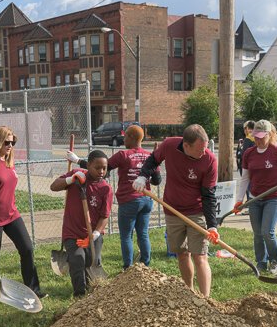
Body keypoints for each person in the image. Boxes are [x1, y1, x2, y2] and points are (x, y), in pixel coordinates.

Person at [132, 124, 219, 297]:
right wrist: (143, 176)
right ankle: (189, 293)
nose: (205, 152)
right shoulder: (170, 145)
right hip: (172, 210)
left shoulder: (209, 160)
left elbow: (209, 195)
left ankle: (205, 300)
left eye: (206, 147)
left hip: (196, 211)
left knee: (200, 256)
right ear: (186, 145)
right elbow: (153, 160)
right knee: (181, 253)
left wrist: (212, 225)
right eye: (201, 149)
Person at [0, 126, 45, 299]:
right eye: (7, 142)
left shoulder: (9, 162)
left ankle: (33, 289)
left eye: (13, 142)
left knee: (27, 249)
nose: (10, 145)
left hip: (12, 214)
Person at [234, 120, 277, 276]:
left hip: (274, 197)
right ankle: (261, 263)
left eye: (262, 136)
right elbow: (245, 179)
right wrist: (239, 199)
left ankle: (275, 261)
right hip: (255, 198)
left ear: (270, 135)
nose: (258, 139)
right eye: (256, 136)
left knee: (267, 231)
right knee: (258, 234)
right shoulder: (249, 153)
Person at [50, 150, 112, 297]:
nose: (101, 171)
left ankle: (92, 287)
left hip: (93, 234)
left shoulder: (106, 188)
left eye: (104, 168)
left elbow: (104, 217)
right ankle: (80, 295)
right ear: (88, 165)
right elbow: (53, 186)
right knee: (78, 260)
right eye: (97, 168)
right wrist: (71, 179)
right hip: (72, 232)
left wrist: (94, 235)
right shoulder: (77, 175)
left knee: (92, 261)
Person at [102, 124, 161, 269]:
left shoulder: (123, 155)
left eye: (126, 136)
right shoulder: (149, 156)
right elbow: (157, 180)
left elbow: (104, 167)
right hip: (146, 199)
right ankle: (145, 265)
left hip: (129, 200)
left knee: (126, 236)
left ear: (132, 138)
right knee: (143, 233)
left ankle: (128, 268)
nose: (123, 139)